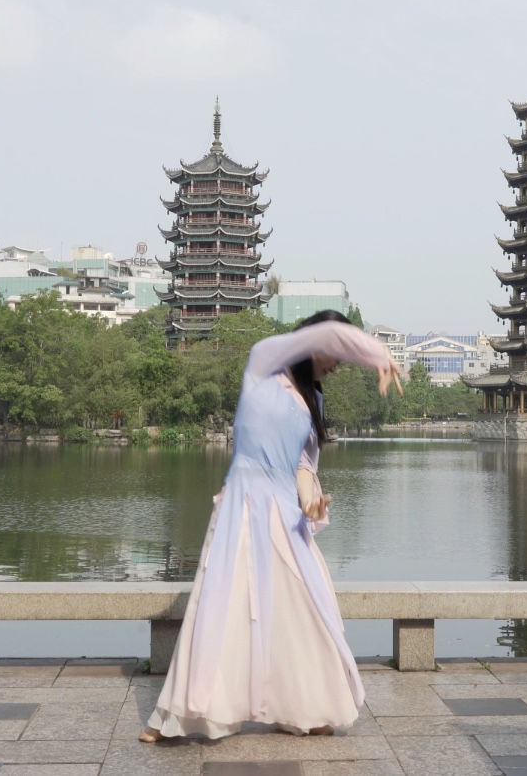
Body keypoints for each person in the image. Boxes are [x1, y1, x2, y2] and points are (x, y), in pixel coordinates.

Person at [140, 310, 403, 741]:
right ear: (314, 342)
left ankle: (303, 707)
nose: (337, 364)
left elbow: (301, 465)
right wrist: (374, 353)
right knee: (222, 607)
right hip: (243, 505)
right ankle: (179, 717)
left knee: (302, 608)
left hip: (285, 513)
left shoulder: (312, 399)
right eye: (335, 353)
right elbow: (329, 331)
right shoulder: (263, 363)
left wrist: (312, 504)